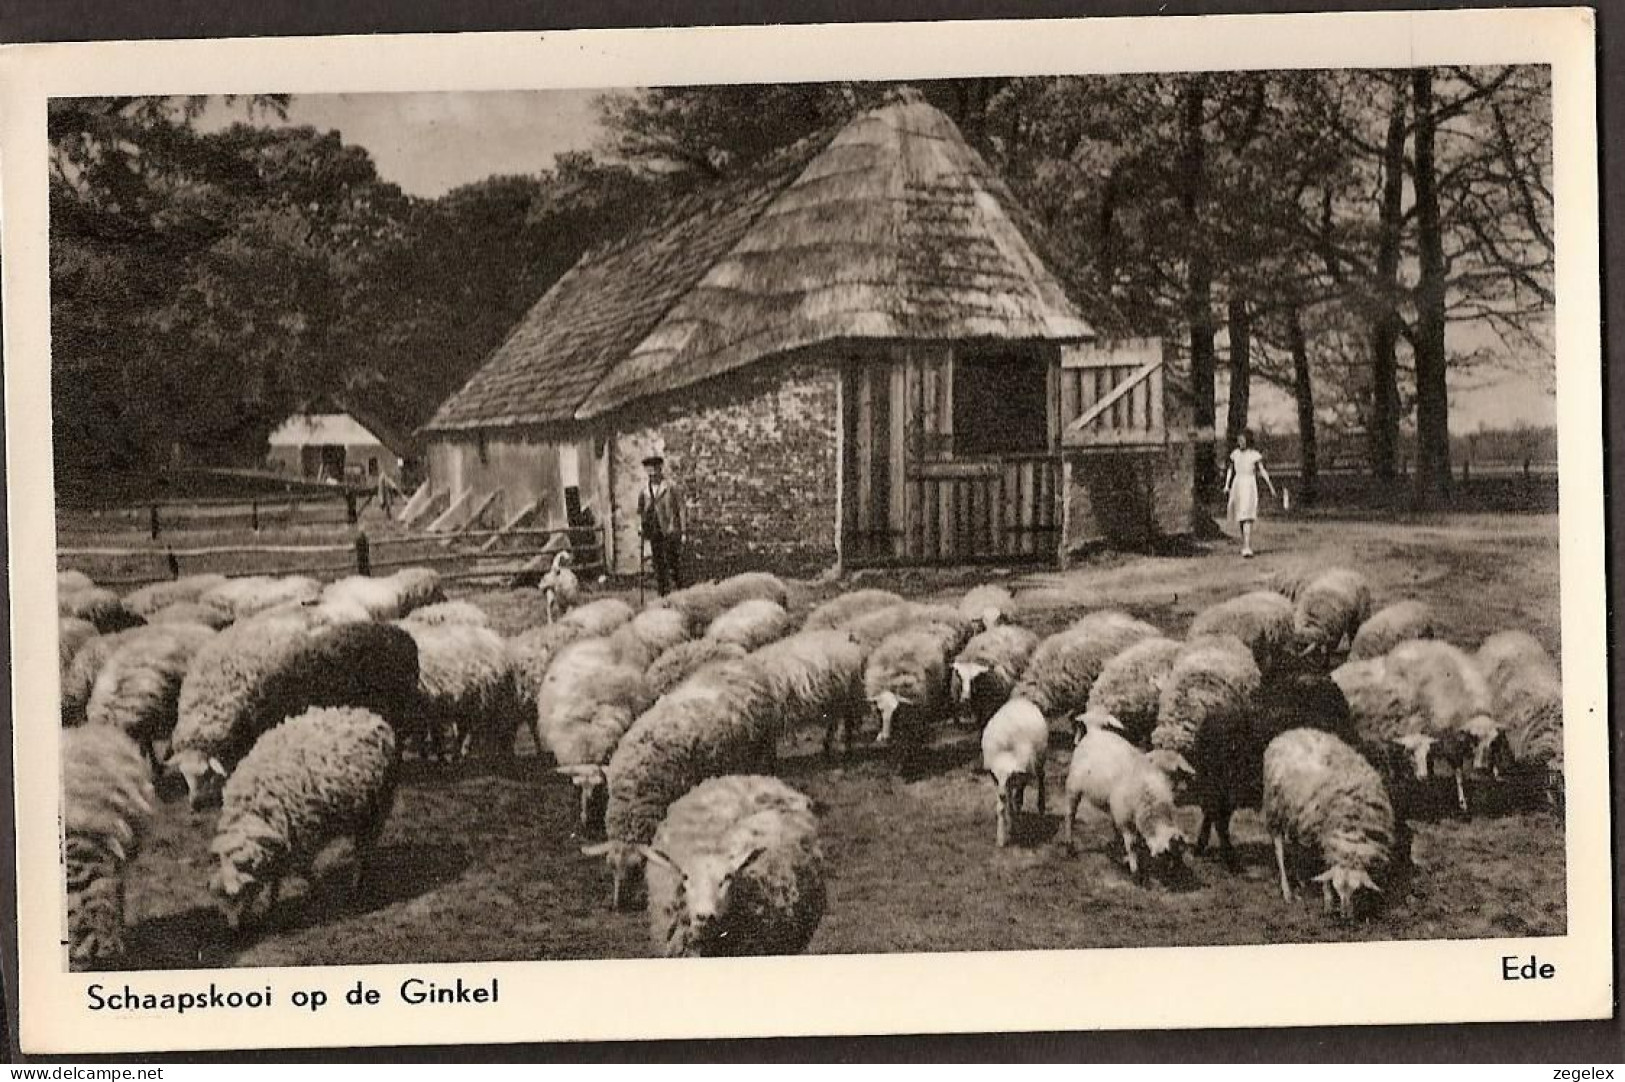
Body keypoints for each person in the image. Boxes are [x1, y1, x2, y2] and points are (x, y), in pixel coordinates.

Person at [638, 453, 686, 596]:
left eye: (655, 470)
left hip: (670, 531)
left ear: (660, 469)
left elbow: (681, 509)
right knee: (658, 564)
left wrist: (683, 532)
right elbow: (641, 511)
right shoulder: (644, 491)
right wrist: (641, 526)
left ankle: (680, 592)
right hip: (654, 531)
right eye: (649, 471)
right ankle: (663, 595)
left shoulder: (670, 487)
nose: (652, 474)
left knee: (673, 563)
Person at [1223, 428, 1276, 558]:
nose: (1240, 442)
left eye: (1243, 439)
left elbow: (1262, 471)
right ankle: (1245, 544)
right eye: (1239, 440)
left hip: (1249, 485)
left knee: (1247, 515)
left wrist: (1270, 486)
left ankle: (1247, 545)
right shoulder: (1235, 454)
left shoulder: (1254, 455)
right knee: (1241, 516)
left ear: (1248, 440)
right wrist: (1226, 485)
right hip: (1238, 485)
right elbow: (1230, 470)